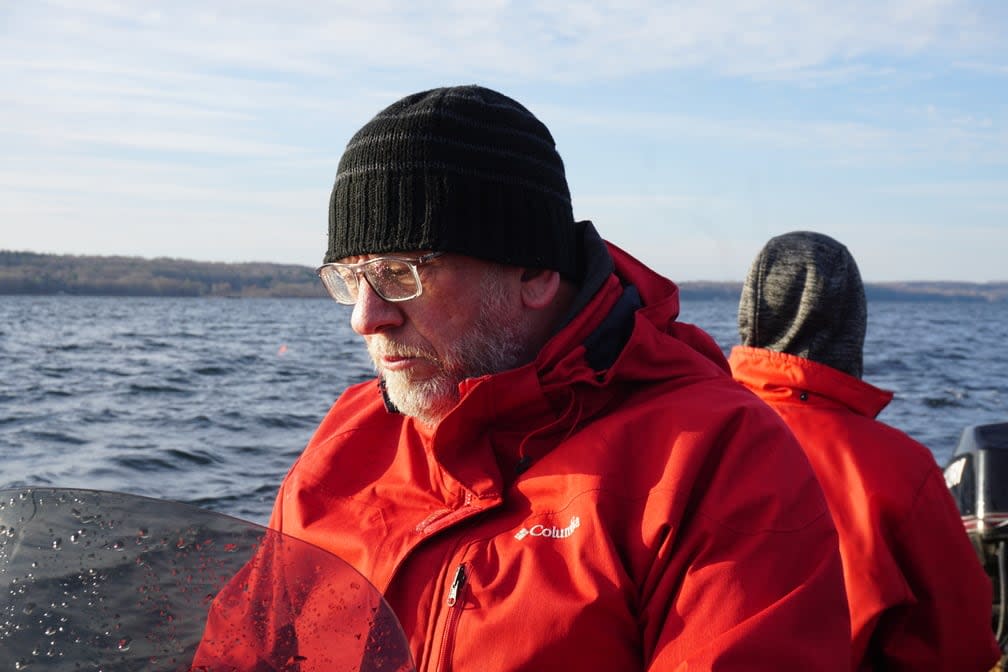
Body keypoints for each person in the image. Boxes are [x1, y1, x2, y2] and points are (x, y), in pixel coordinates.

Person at [195, 86, 851, 670]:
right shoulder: (350, 437)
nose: (366, 318)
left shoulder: (716, 457)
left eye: (401, 273)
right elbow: (241, 651)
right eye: (349, 279)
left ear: (534, 273)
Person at [727, 230, 1001, 671]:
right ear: (850, 325)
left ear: (751, 314)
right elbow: (960, 646)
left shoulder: (679, 439)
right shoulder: (899, 469)